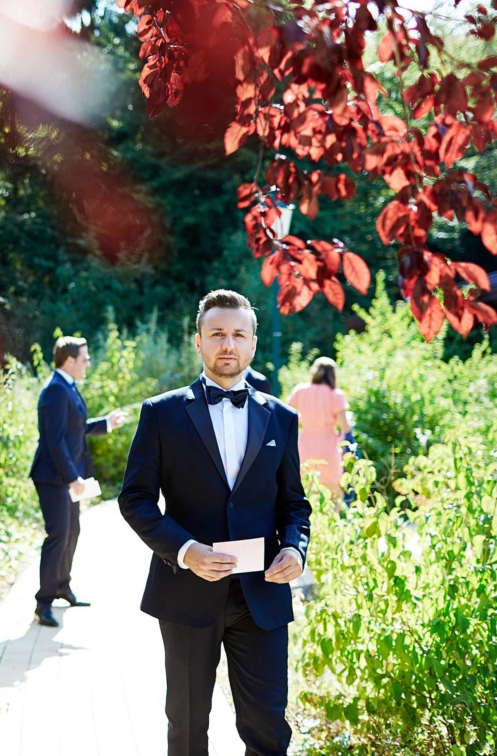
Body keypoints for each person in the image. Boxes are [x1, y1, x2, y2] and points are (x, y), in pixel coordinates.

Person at [119, 289, 311, 756]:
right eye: (218, 334)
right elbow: (136, 499)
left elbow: (295, 504)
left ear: (252, 343)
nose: (228, 343)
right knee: (186, 729)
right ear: (199, 342)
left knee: (268, 727)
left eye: (238, 334)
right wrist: (186, 551)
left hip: (260, 597)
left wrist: (294, 547)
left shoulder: (282, 418)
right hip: (185, 595)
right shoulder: (160, 413)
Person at [29, 335, 128, 628]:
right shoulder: (55, 391)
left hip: (66, 477)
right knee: (58, 536)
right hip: (53, 478)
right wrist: (73, 478)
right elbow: (54, 441)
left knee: (72, 533)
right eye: (84, 358)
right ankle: (43, 602)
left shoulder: (67, 387)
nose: (88, 363)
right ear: (69, 361)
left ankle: (61, 586)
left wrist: (107, 423)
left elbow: (76, 428)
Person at [285, 357, 353, 503]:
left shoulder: (300, 391)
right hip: (329, 448)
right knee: (334, 495)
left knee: (307, 492)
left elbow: (286, 416)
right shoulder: (336, 395)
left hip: (304, 446)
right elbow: (345, 427)